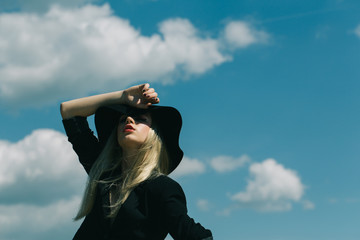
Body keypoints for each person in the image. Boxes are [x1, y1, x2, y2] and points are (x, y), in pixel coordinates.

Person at [60, 83, 213, 240]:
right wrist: (123, 96)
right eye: (122, 119)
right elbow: (68, 111)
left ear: (155, 133)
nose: (129, 121)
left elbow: (196, 236)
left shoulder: (162, 188)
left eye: (140, 119)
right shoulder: (103, 173)